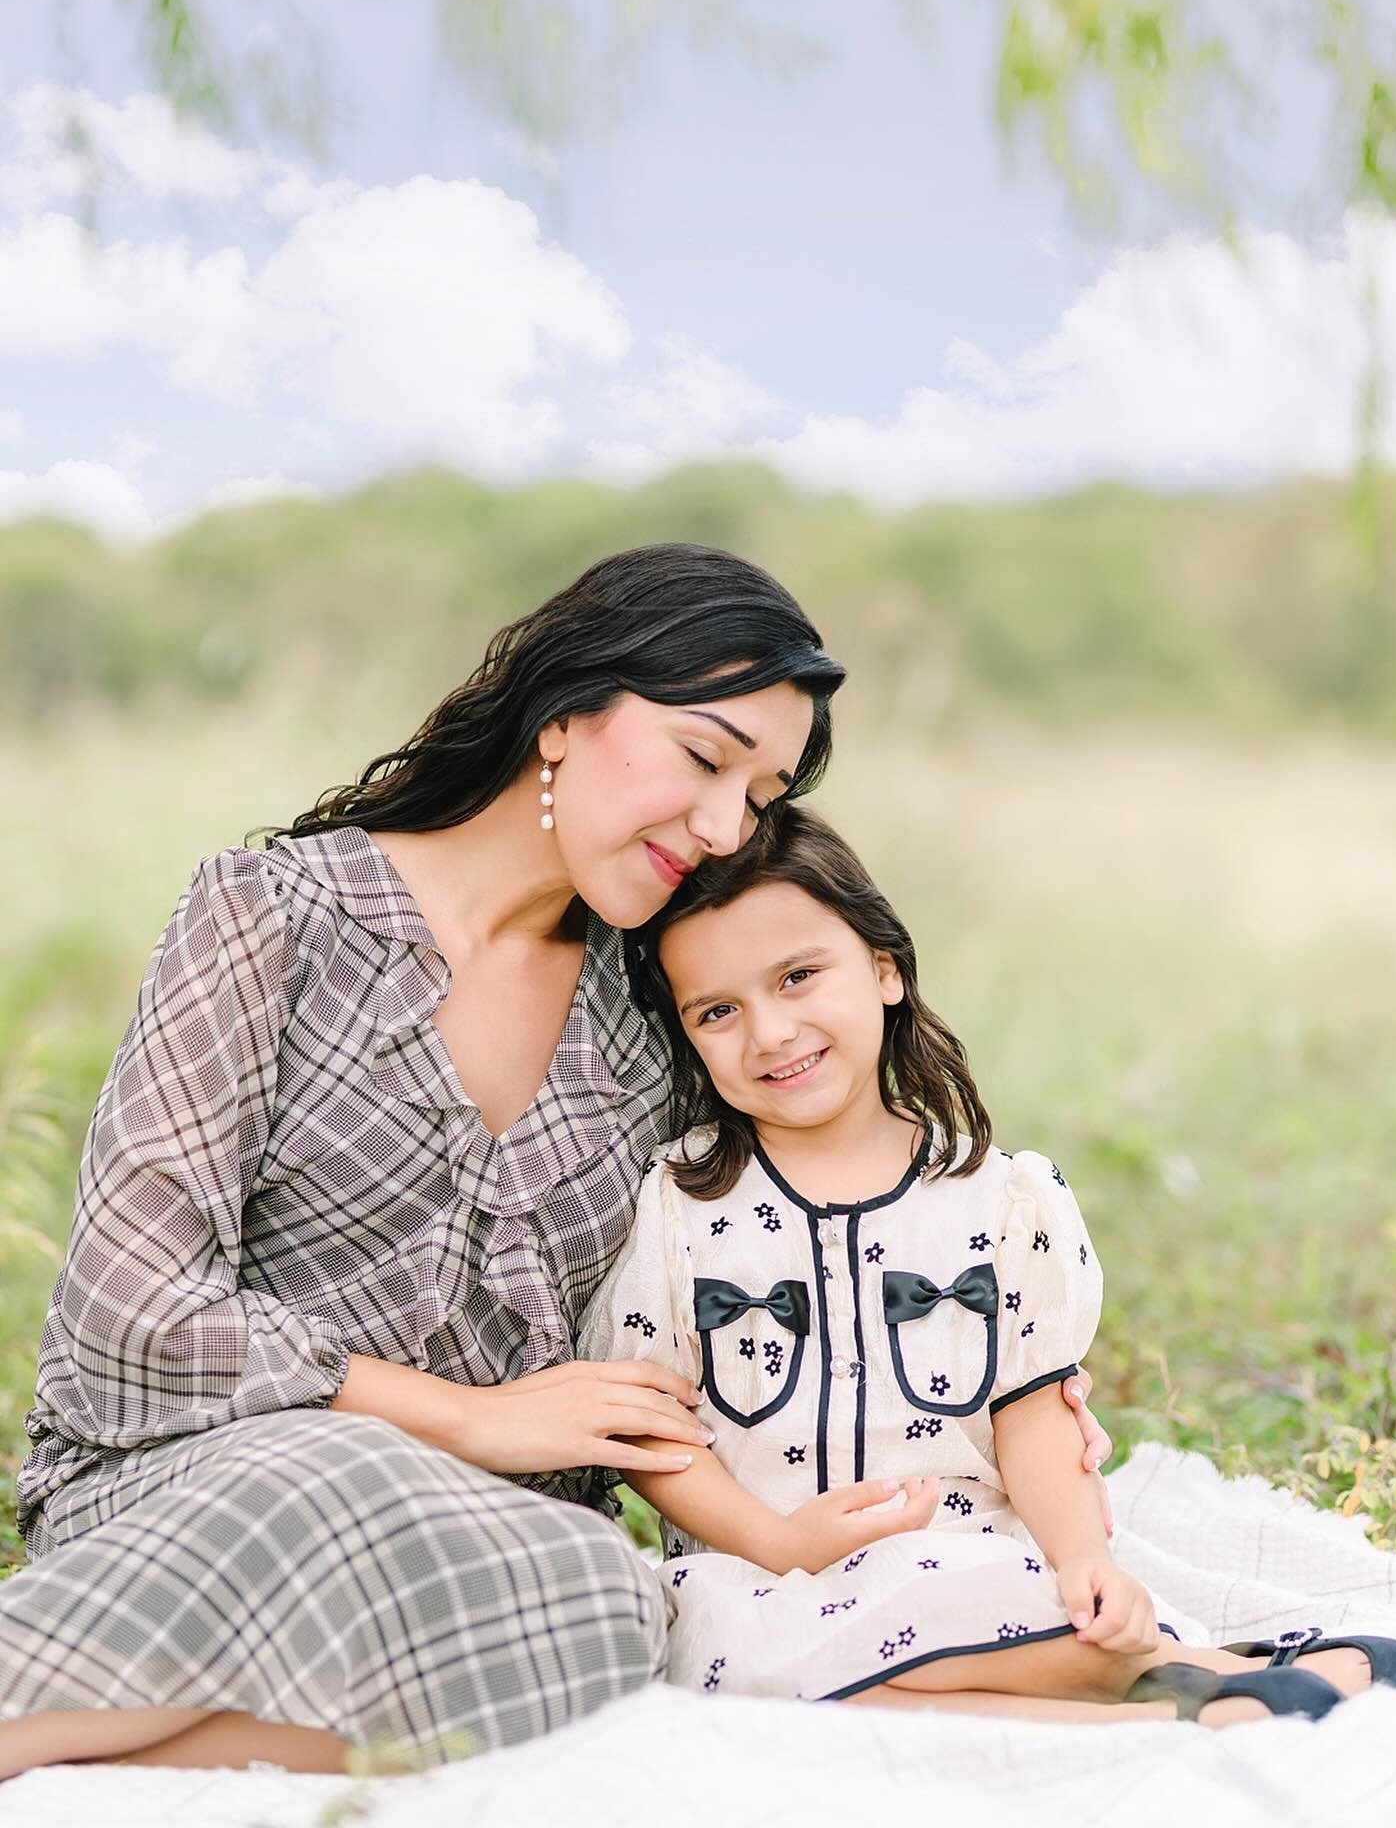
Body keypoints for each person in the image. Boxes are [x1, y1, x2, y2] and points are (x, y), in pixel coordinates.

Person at [0, 542, 1113, 1782]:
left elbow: (806, 1214)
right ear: (569, 715)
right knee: (344, 1470)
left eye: (759, 794)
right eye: (703, 759)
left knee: (611, 1605)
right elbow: (128, 1311)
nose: (719, 826)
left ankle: (90, 1755)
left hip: (491, 1552)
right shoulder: (272, 916)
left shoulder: (658, 1012)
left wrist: (1006, 1380)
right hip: (219, 1482)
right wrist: (470, 1421)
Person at [580, 803, 1396, 1726]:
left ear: (885, 969)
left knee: (982, 1609)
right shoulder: (681, 1205)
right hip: (758, 1572)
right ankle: (1198, 1704)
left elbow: (1032, 1408)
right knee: (766, 1674)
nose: (771, 1033)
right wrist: (777, 1538)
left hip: (956, 1550)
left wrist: (1083, 1560)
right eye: (719, 1011)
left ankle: (1191, 1674)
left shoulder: (997, 1198)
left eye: (798, 977)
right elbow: (649, 1424)